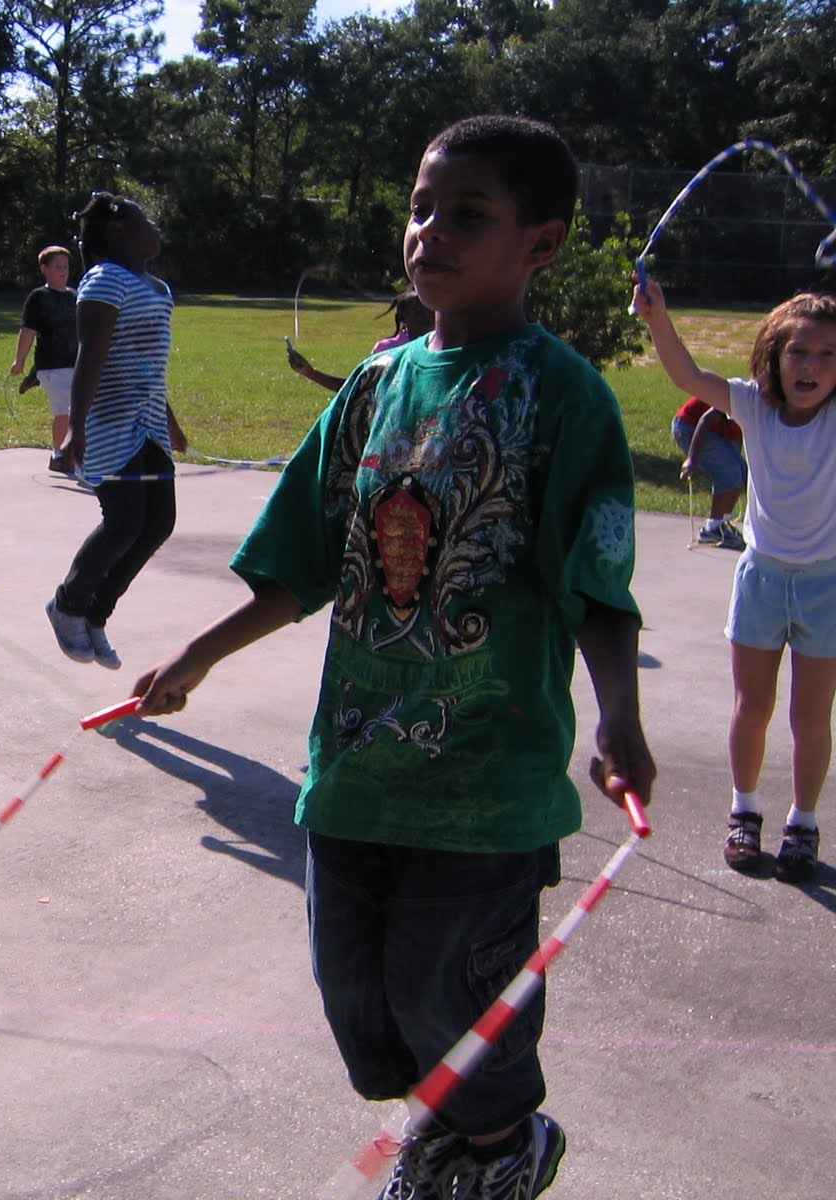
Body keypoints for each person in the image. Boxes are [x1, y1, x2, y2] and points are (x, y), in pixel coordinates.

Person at [132, 115, 655, 1200]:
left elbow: (597, 586)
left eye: (468, 214)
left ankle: (501, 1139)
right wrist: (198, 653)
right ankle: (451, 1123)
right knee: (358, 997)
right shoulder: (374, 387)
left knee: (447, 994)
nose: (430, 232)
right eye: (421, 207)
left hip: (483, 781)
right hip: (356, 767)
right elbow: (304, 557)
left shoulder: (564, 397)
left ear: (540, 243)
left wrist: (618, 718)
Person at [634, 279, 836, 883]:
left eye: (829, 355)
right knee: (753, 706)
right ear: (773, 355)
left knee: (810, 717)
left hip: (827, 586)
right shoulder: (752, 405)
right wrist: (657, 317)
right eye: (798, 351)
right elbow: (687, 376)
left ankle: (802, 822)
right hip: (762, 581)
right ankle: (743, 813)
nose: (811, 366)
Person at [46, 192, 187, 670]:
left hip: (149, 423)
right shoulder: (105, 280)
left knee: (158, 524)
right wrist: (75, 428)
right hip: (110, 422)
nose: (154, 226)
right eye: (143, 219)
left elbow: (147, 363)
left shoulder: (157, 287)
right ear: (118, 232)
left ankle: (96, 615)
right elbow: (90, 355)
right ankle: (67, 605)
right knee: (124, 522)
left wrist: (171, 422)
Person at [8, 245, 80, 473]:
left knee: (81, 410)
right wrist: (19, 360)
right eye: (57, 267)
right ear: (44, 269)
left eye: (66, 267)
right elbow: (28, 330)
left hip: (75, 363)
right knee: (64, 411)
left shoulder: (75, 296)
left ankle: (76, 452)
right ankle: (59, 455)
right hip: (52, 364)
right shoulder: (39, 297)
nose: (63, 271)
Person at [288, 286, 435, 393]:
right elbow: (360, 388)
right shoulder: (388, 350)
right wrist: (311, 373)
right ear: (403, 316)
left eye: (429, 308)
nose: (426, 315)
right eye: (417, 310)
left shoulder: (447, 345)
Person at [671, 393, 746, 549]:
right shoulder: (742, 398)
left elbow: (735, 451)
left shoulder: (750, 421)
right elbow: (705, 421)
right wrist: (692, 458)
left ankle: (722, 523)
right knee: (730, 471)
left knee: (739, 471)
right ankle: (711, 529)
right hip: (688, 426)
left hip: (714, 433)